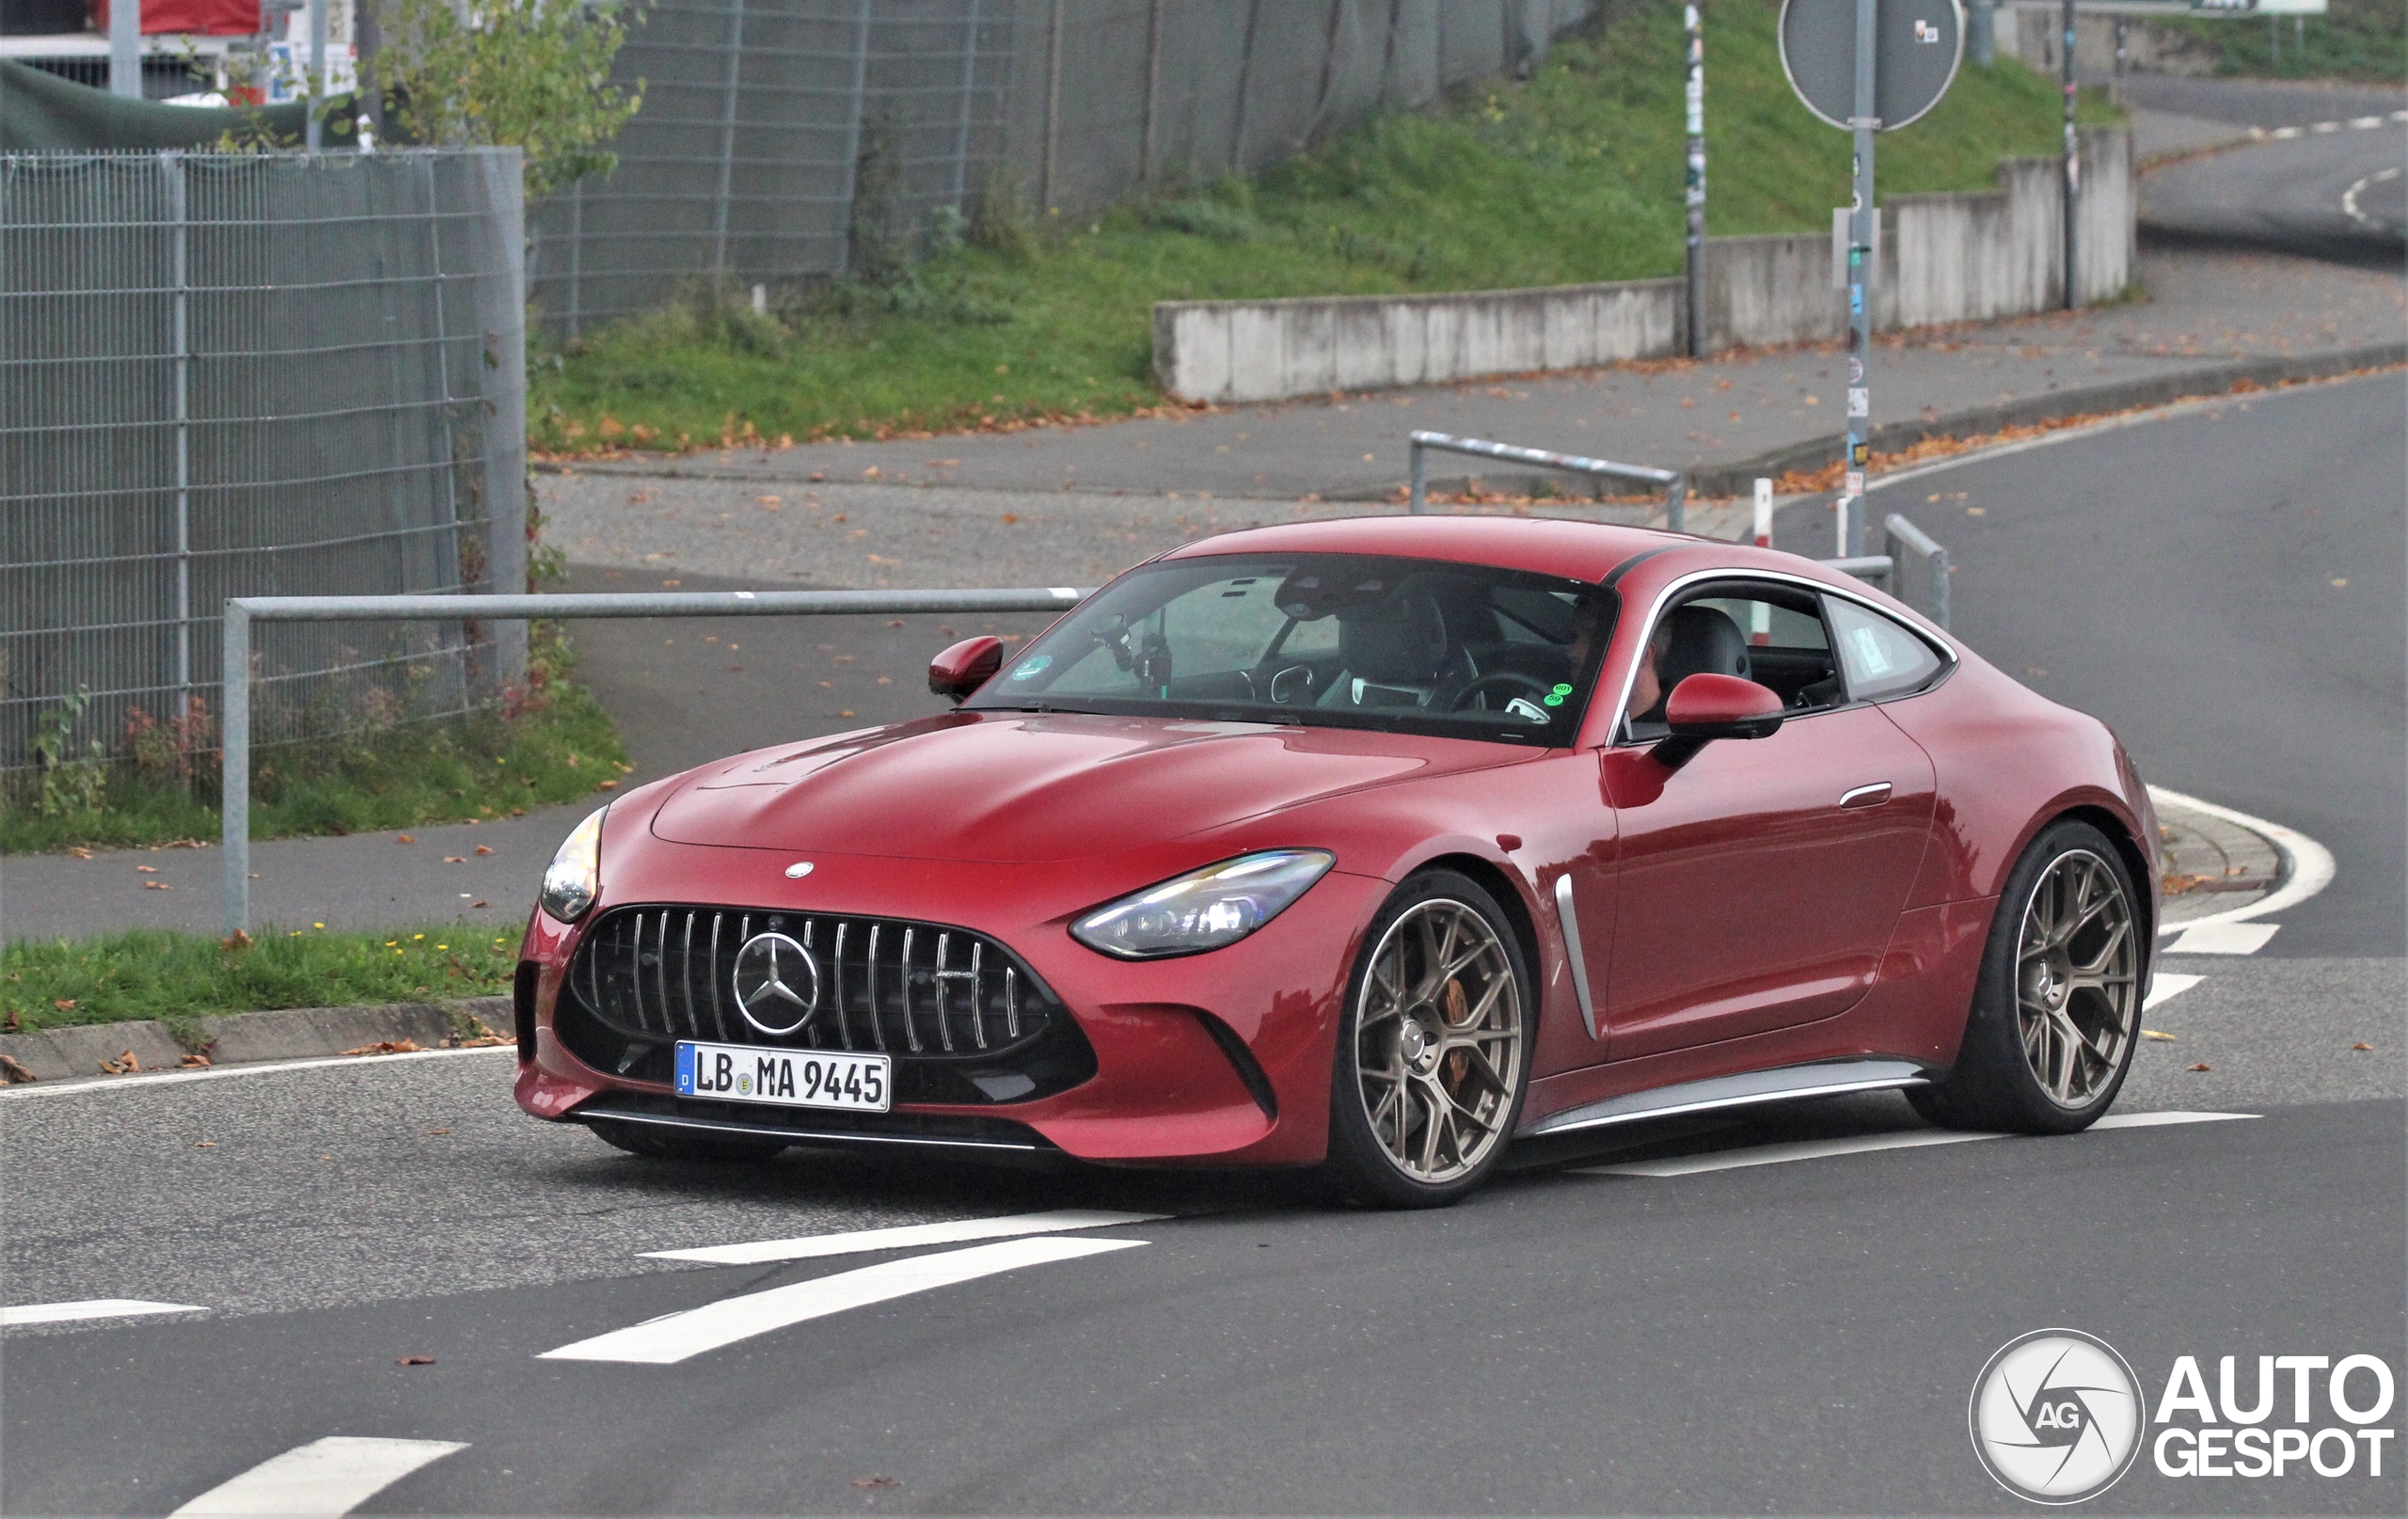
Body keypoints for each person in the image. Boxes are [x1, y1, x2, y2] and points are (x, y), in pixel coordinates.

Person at [1624, 616, 1677, 724]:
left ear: (1644, 655)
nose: (1579, 650)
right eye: (1578, 637)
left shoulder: (1678, 734)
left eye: (1590, 637)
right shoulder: (1587, 721)